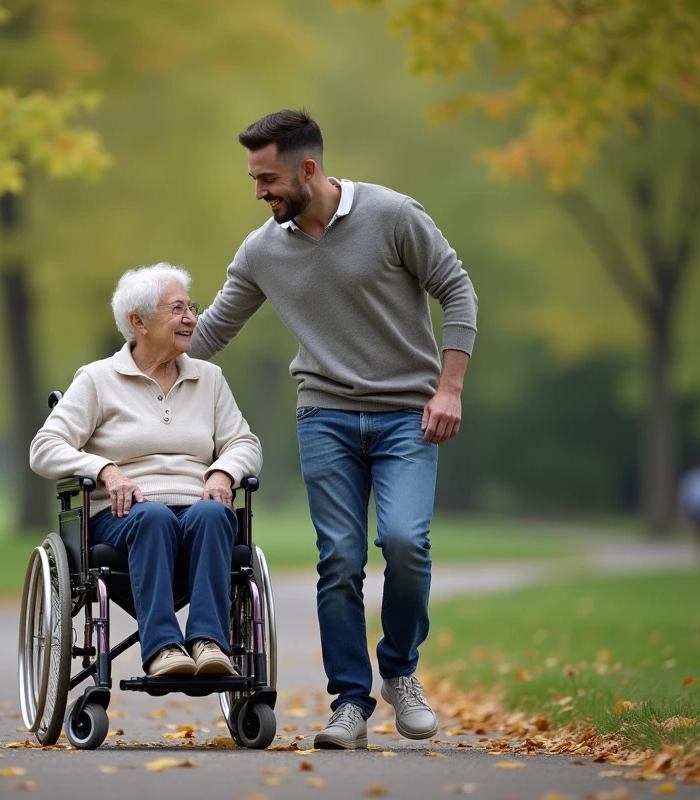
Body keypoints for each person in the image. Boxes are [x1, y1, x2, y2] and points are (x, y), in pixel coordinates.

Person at [188, 109, 478, 749]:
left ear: (308, 169)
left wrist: (449, 387)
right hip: (325, 416)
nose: (259, 192)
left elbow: (457, 290)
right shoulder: (263, 249)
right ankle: (350, 702)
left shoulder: (393, 215)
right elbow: (210, 331)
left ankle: (400, 670)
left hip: (408, 413)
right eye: (255, 180)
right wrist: (120, 371)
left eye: (267, 179)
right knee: (340, 560)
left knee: (405, 544)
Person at [30, 264, 262, 677]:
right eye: (177, 309)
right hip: (122, 516)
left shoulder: (209, 379)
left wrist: (222, 473)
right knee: (153, 517)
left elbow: (244, 443)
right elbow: (44, 448)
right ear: (138, 322)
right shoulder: (98, 380)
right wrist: (104, 469)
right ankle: (163, 651)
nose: (191, 318)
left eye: (192, 307)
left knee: (214, 514)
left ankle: (209, 642)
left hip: (196, 509)